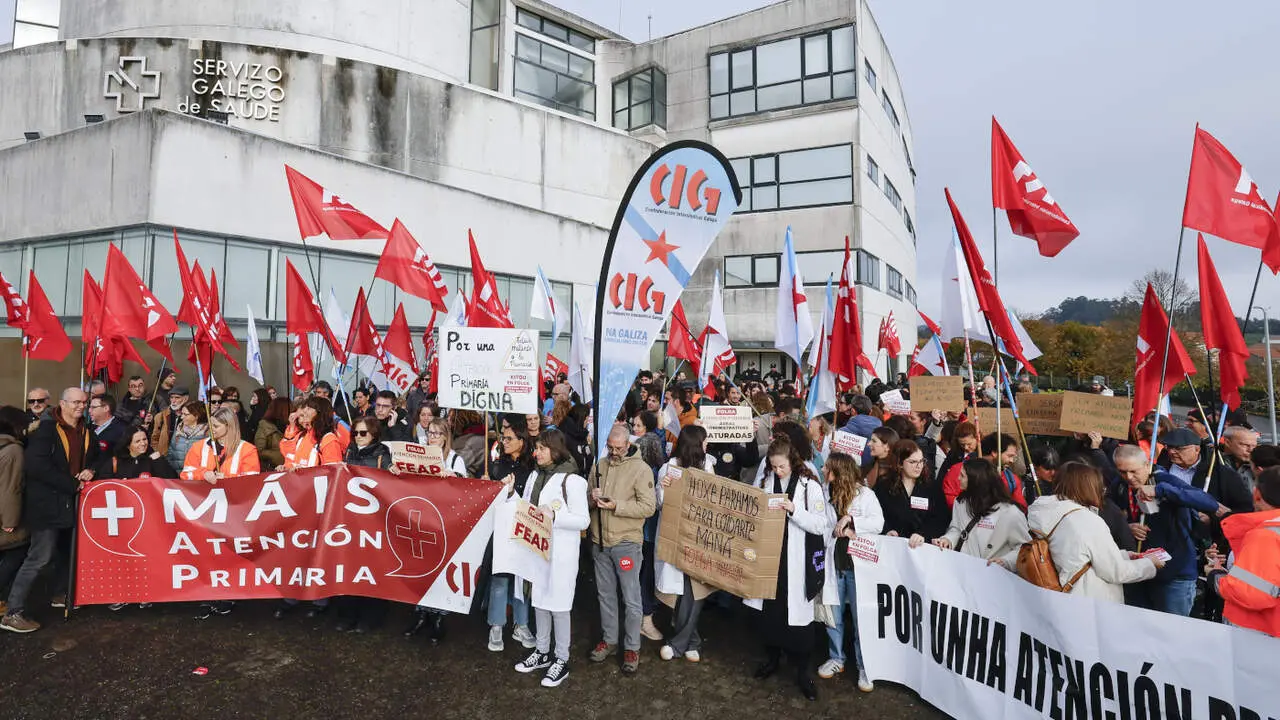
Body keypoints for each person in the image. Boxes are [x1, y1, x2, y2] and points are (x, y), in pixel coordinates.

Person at [2, 388, 101, 633]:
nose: (81, 406)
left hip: (68, 504)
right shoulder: (47, 430)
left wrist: (92, 470)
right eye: (76, 402)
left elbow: (99, 456)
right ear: (63, 404)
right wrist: (71, 484)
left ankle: (60, 593)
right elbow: (37, 467)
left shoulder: (86, 431)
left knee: (65, 553)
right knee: (39, 557)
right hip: (46, 505)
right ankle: (12, 612)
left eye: (84, 402)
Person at [748, 436, 832, 701]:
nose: (777, 471)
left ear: (793, 462)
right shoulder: (765, 481)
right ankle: (772, 660)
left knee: (800, 625)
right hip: (771, 558)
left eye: (781, 466)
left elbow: (821, 524)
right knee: (770, 615)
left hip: (797, 561)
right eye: (773, 466)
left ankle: (802, 673)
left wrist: (794, 510)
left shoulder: (809, 486)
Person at [512, 429, 589, 687]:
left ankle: (561, 658)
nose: (536, 453)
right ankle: (543, 651)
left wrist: (556, 517)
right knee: (540, 602)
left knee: (560, 606)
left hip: (562, 554)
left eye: (541, 448)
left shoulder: (573, 481)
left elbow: (583, 520)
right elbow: (525, 507)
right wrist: (511, 493)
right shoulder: (535, 475)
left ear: (555, 450)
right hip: (537, 550)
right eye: (536, 448)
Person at [1027, 462, 1161, 603]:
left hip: (1057, 594)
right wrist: (1149, 564)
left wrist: (1124, 556)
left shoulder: (1042, 513)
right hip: (1088, 599)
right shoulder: (1086, 520)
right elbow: (1116, 572)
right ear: (1089, 487)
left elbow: (1079, 556)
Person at [1110, 443, 1220, 616]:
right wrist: (1127, 526)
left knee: (1173, 634)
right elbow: (1109, 514)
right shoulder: (1120, 484)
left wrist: (1161, 491)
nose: (1129, 477)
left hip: (1174, 574)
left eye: (1134, 471)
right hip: (1139, 570)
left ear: (1147, 465)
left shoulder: (1164, 480)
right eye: (1122, 471)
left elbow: (1209, 502)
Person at [587, 424, 657, 675]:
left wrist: (618, 505)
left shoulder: (641, 469)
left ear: (628, 444)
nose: (614, 452)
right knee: (605, 595)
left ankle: (632, 647)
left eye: (619, 448)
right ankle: (609, 639)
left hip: (626, 542)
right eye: (610, 447)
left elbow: (649, 507)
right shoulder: (599, 465)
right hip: (600, 541)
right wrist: (591, 499)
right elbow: (587, 502)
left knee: (631, 598)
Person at [818, 452, 882, 691]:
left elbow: (878, 523)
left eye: (828, 468)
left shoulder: (866, 495)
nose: (824, 471)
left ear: (838, 471)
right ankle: (837, 658)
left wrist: (852, 521)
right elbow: (822, 524)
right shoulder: (826, 493)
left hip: (857, 567)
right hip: (834, 564)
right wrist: (834, 532)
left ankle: (865, 665)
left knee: (860, 618)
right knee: (832, 615)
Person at [655, 426, 715, 664]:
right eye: (704, 441)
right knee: (680, 594)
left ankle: (678, 644)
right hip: (675, 537)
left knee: (694, 590)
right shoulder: (667, 468)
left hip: (697, 538)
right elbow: (659, 504)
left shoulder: (707, 466)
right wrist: (664, 488)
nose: (707, 444)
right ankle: (691, 642)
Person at [335, 417, 394, 633]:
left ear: (374, 435)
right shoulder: (350, 451)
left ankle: (372, 616)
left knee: (371, 569)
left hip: (374, 522)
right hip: (350, 520)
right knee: (350, 568)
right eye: (356, 433)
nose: (358, 437)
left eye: (363, 433)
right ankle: (348, 614)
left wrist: (393, 471)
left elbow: (390, 480)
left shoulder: (382, 455)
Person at [1206, 467, 1280, 637]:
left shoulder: (1265, 536)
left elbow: (1252, 593)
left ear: (1256, 494)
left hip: (1261, 637)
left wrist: (1215, 576)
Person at [487, 422, 536, 653]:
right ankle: (496, 625)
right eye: (503, 438)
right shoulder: (496, 466)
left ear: (521, 442)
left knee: (522, 579)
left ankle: (522, 623)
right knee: (500, 578)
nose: (503, 442)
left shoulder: (532, 469)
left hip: (523, 530)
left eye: (508, 438)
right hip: (500, 530)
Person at [931, 459, 1030, 568]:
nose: (958, 478)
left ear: (976, 480)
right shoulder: (961, 502)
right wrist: (947, 540)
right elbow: (956, 529)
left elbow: (1025, 548)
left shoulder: (1010, 512)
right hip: (962, 569)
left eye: (962, 476)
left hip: (993, 574)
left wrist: (1005, 561)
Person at [876, 440, 949, 545]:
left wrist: (923, 534)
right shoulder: (883, 485)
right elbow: (875, 513)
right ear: (899, 463)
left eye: (921, 461)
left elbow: (941, 518)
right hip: (892, 545)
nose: (919, 466)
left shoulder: (932, 486)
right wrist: (886, 530)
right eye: (912, 462)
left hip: (922, 547)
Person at [0, 406, 30, 616]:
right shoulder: (14, 450)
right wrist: (10, 521)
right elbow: (11, 487)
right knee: (17, 552)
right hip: (6, 518)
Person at [182, 406, 261, 482]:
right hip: (203, 494)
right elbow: (185, 474)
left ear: (229, 426)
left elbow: (251, 481)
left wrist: (227, 480)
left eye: (216, 426)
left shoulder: (248, 450)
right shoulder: (198, 446)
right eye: (210, 425)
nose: (211, 429)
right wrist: (203, 474)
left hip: (232, 495)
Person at [280, 397, 343, 470]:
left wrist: (304, 471)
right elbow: (289, 456)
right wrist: (286, 467)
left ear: (320, 412)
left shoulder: (329, 440)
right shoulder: (302, 435)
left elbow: (333, 472)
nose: (305, 411)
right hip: (299, 480)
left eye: (309, 408)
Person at [106, 426, 178, 480]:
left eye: (144, 439)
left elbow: (172, 480)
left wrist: (159, 461)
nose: (143, 443)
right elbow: (103, 485)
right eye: (137, 441)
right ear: (128, 445)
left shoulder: (154, 459)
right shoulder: (116, 461)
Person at [166, 400, 208, 475]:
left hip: (198, 477)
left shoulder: (207, 433)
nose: (182, 417)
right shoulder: (179, 430)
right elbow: (170, 454)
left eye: (186, 414)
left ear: (196, 416)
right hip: (177, 476)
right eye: (182, 414)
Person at [149, 386, 189, 458]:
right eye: (171, 397)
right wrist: (158, 452)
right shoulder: (160, 416)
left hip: (182, 458)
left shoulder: (191, 417)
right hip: (164, 458)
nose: (173, 401)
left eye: (177, 397)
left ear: (185, 399)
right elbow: (154, 439)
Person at [936, 420, 979, 485]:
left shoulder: (983, 454)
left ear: (976, 439)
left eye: (969, 444)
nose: (966, 447)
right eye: (962, 444)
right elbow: (942, 477)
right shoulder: (953, 454)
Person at [254, 397, 291, 469]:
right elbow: (259, 451)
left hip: (291, 465)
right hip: (274, 467)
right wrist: (279, 456)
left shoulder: (291, 425)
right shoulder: (265, 426)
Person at [449, 410, 487, 478]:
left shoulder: (472, 441)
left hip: (467, 477)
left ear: (460, 421)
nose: (448, 421)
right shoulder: (465, 436)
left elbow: (456, 463)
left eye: (452, 419)